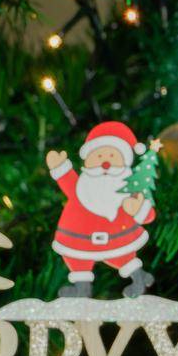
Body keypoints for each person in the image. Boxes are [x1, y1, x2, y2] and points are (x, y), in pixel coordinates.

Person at [45, 121, 156, 299]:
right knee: (76, 258)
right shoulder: (82, 186)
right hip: (79, 235)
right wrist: (59, 167)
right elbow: (68, 183)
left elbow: (148, 214)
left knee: (123, 256)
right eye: (98, 156)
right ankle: (82, 289)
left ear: (125, 162)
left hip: (117, 235)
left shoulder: (128, 189)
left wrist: (138, 210)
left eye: (112, 156)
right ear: (87, 158)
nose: (105, 163)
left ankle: (139, 278)